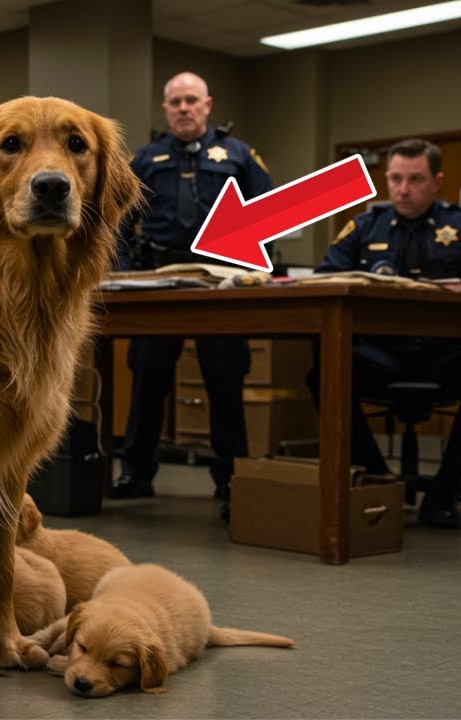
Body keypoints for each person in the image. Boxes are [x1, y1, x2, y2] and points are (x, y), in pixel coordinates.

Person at [308, 138, 461, 528]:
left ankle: (446, 486)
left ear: (437, 181)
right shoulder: (363, 227)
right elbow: (325, 279)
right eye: (395, 179)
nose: (403, 189)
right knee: (326, 375)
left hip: (446, 354)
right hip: (381, 355)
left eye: (415, 179)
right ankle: (378, 477)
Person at [110, 71, 273, 507]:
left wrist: (253, 275)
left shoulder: (239, 155)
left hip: (218, 279)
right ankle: (135, 472)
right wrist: (122, 276)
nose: (183, 108)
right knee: (147, 377)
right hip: (159, 279)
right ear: (165, 109)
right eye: (175, 101)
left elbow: (266, 218)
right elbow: (117, 226)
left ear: (208, 105)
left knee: (224, 378)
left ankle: (231, 476)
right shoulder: (144, 159)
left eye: (191, 100)